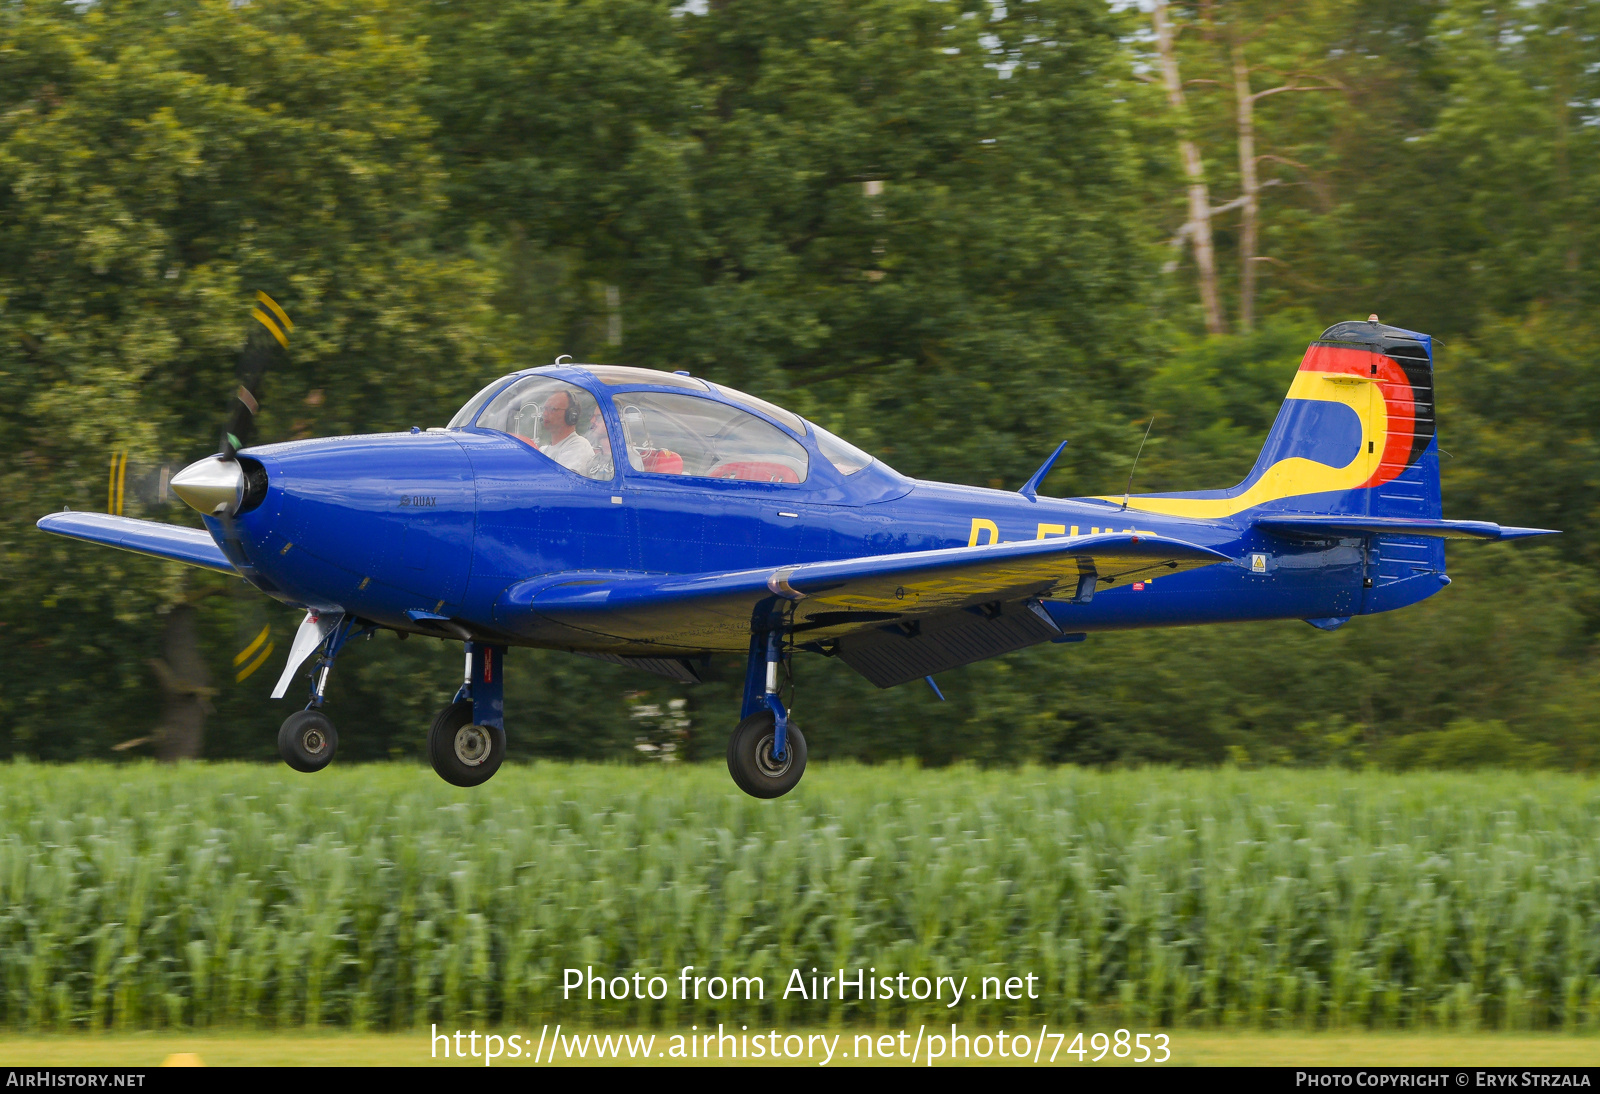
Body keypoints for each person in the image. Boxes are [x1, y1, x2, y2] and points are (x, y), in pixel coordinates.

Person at [539, 390, 596, 474]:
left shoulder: (579, 445)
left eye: (552, 409)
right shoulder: (543, 450)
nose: (545, 414)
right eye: (544, 409)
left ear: (572, 415)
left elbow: (561, 482)